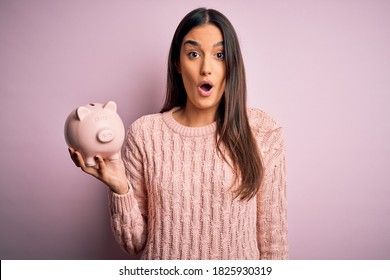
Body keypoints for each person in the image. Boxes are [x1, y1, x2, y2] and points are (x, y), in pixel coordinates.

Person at [68, 7, 288, 260]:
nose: (206, 68)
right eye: (193, 54)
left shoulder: (262, 131)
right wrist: (120, 187)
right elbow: (134, 243)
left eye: (219, 55)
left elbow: (274, 245)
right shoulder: (145, 134)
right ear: (178, 63)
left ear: (232, 64)